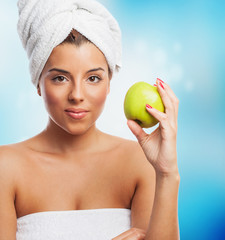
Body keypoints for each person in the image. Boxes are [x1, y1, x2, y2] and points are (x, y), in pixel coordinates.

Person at [0, 0, 180, 239]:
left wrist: (167, 173)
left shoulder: (140, 162)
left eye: (93, 78)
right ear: (38, 84)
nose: (77, 95)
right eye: (60, 79)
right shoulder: (6, 168)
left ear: (109, 84)